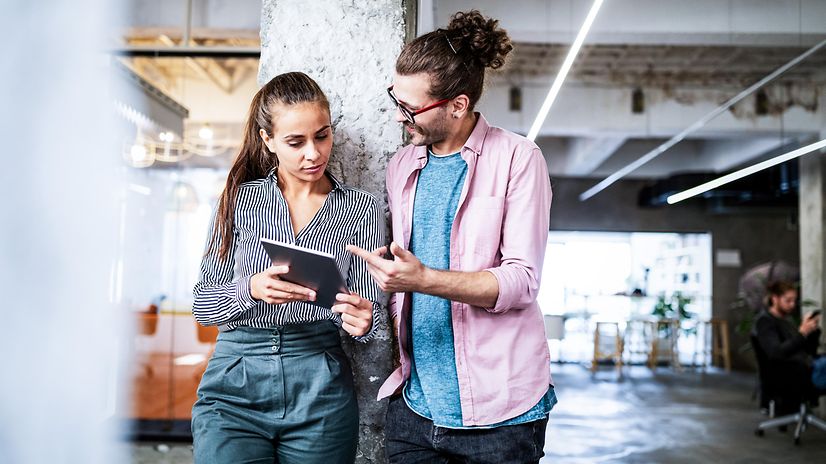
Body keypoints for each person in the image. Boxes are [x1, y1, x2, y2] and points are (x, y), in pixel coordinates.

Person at [347, 10, 555, 464]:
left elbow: (521, 282)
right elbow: (403, 273)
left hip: (501, 416)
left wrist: (423, 279)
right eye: (394, 98)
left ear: (458, 105)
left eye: (411, 107)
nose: (399, 116)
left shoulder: (519, 158)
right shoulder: (403, 164)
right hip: (416, 408)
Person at [191, 71, 384, 464]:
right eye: (295, 142)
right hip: (235, 380)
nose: (313, 153)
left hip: (320, 383)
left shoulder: (360, 208)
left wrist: (365, 322)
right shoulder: (237, 201)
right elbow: (202, 305)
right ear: (268, 140)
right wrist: (250, 289)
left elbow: (370, 319)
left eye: (322, 135)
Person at [753, 281, 822, 415]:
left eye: (794, 300)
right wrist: (801, 333)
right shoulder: (765, 322)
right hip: (786, 375)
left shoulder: (786, 321)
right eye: (788, 300)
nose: (792, 304)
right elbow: (776, 352)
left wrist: (811, 332)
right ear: (774, 299)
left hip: (803, 367)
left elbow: (805, 350)